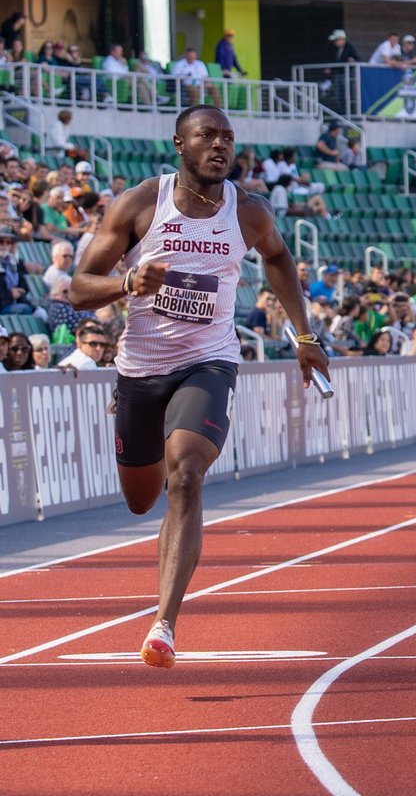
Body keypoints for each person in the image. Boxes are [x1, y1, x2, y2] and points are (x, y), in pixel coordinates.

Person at [69, 105, 330, 670]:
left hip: (208, 360)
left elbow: (280, 259)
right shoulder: (141, 204)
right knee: (142, 500)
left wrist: (304, 335)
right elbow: (76, 291)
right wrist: (126, 282)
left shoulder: (249, 212)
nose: (220, 146)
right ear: (179, 144)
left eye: (228, 138)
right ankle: (161, 543)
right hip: (140, 368)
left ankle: (163, 624)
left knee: (186, 473)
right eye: (206, 136)